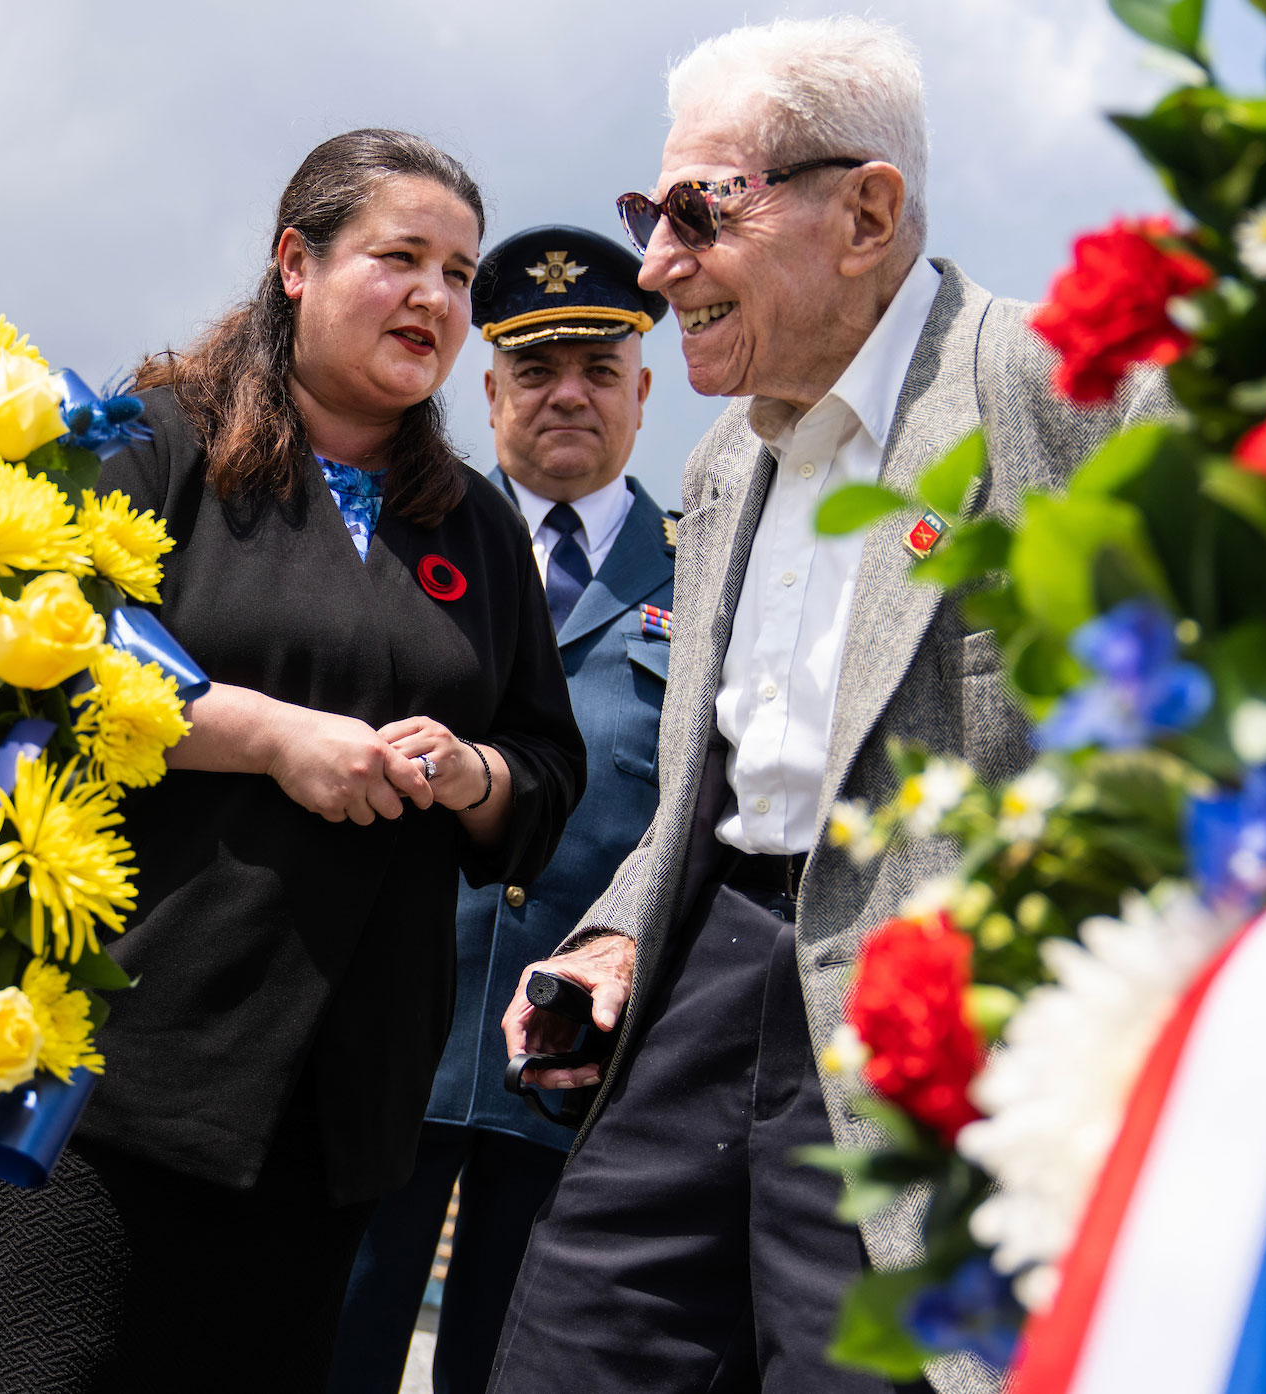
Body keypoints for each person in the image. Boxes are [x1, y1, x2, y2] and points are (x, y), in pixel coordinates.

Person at [488, 20, 1171, 1394]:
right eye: (647, 212)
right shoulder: (732, 458)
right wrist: (620, 935)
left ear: (865, 215)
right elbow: (721, 788)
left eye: (698, 211)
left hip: (930, 1033)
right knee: (567, 1362)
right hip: (706, 983)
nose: (658, 262)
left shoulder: (1074, 399)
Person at [0, 129, 585, 1394]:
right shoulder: (152, 442)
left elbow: (546, 764)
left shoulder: (480, 523)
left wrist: (472, 774)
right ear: (295, 261)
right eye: (400, 258)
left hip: (336, 1104)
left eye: (458, 275)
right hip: (112, 1061)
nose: (436, 299)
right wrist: (267, 736)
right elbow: (33, 660)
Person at [329, 224, 674, 1394]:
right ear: (489, 389)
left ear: (644, 387)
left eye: (596, 368)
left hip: (588, 1073)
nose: (566, 394)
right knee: (336, 1353)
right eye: (534, 369)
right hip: (394, 1043)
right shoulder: (405, 544)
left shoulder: (709, 571)